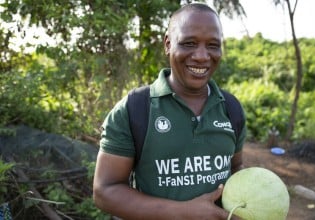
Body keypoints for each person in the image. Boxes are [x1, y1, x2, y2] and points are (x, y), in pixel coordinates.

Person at [93, 3, 246, 220]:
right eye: (189, 43)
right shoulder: (135, 109)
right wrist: (183, 212)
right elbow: (105, 191)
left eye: (213, 45)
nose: (202, 56)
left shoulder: (231, 108)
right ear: (168, 44)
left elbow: (236, 166)